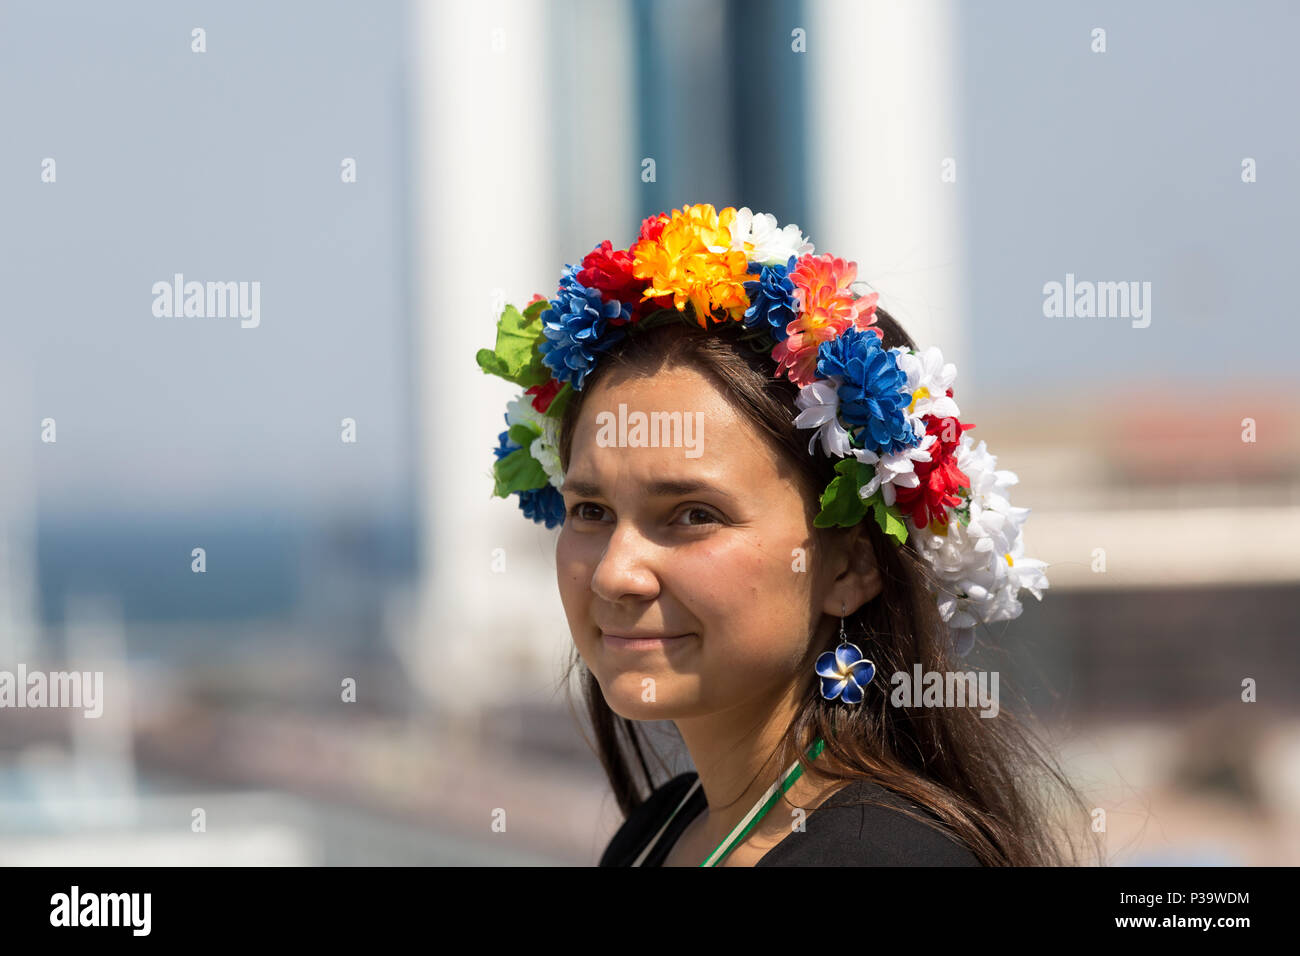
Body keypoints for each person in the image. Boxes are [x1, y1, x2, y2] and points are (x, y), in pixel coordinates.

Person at [478, 204, 1101, 866]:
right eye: (591, 511)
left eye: (694, 514)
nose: (613, 573)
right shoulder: (665, 831)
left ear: (850, 566)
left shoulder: (879, 859)